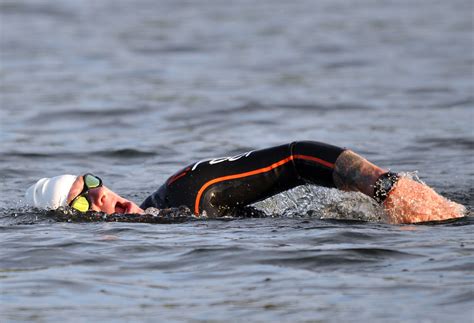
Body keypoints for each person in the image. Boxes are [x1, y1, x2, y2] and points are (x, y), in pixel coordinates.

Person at [25, 141, 466, 224]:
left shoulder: (189, 191)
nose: (100, 195)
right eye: (82, 203)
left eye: (91, 182)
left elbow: (294, 158)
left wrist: (386, 187)